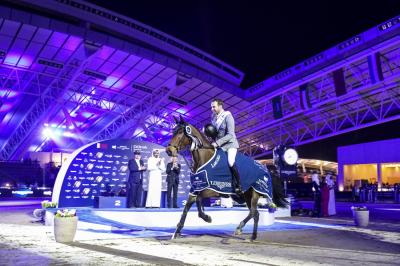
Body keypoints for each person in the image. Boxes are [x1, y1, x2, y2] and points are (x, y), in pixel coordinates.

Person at [209, 98, 242, 195]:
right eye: (211, 107)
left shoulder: (228, 116)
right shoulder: (213, 117)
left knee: (230, 162)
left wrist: (217, 143)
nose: (212, 109)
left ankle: (238, 185)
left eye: (214, 107)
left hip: (230, 144)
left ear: (220, 106)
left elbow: (231, 134)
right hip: (220, 145)